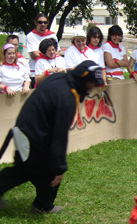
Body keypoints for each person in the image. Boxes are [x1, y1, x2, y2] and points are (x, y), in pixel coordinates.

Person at [0, 60, 104, 214]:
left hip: (24, 129)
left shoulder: (60, 79)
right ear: (83, 79)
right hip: (31, 135)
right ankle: (43, 206)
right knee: (50, 174)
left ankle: (42, 204)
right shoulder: (67, 97)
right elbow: (59, 135)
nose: (92, 88)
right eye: (91, 83)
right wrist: (59, 167)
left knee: (26, 169)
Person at [26, 13, 60, 88]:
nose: (43, 24)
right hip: (35, 72)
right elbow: (34, 55)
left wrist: (42, 53)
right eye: (40, 22)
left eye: (45, 22)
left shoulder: (52, 35)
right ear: (35, 22)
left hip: (52, 72)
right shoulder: (30, 36)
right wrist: (50, 53)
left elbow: (58, 52)